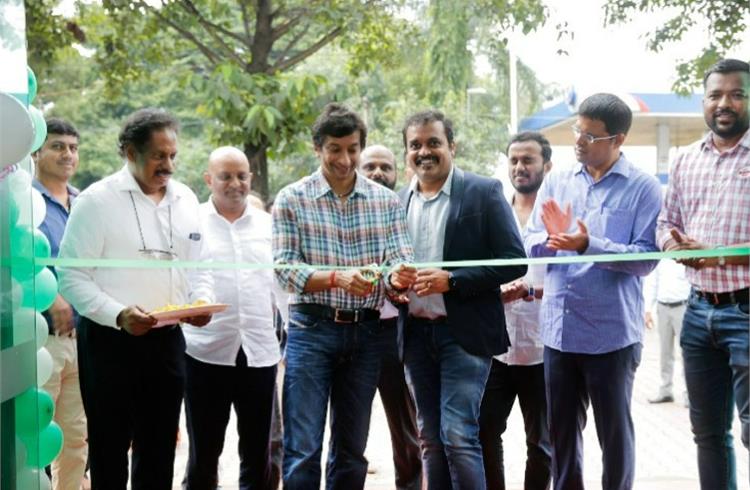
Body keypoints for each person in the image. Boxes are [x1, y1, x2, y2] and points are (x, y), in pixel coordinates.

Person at [58, 108, 213, 489]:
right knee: (109, 450)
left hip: (168, 343)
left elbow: (201, 265)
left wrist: (203, 301)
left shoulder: (186, 199)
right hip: (110, 343)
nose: (168, 165)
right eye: (159, 155)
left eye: (173, 155)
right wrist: (119, 314)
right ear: (130, 151)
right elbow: (70, 275)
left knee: (160, 447)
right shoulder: (97, 200)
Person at [272, 103, 416, 489]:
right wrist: (336, 278)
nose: (345, 158)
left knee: (352, 449)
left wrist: (398, 278)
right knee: (303, 449)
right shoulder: (292, 198)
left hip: (368, 334)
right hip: (311, 330)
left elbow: (400, 260)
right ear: (317, 148)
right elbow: (284, 269)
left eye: (353, 148)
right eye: (335, 149)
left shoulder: (386, 202)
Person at [525, 93, 661, 490]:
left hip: (611, 335)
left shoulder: (643, 188)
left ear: (617, 140)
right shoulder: (558, 180)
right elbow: (530, 237)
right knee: (562, 437)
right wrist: (550, 240)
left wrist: (588, 245)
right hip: (559, 333)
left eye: (590, 135)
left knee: (614, 437)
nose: (578, 141)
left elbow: (645, 259)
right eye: (577, 131)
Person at [398, 109, 527, 489]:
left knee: (458, 434)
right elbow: (390, 262)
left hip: (465, 334)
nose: (425, 151)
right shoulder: (397, 200)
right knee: (431, 438)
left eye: (433, 142)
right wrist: (393, 278)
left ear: (451, 146)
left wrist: (451, 280)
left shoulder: (483, 191)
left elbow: (513, 262)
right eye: (415, 145)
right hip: (416, 335)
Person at [656, 58, 750, 490]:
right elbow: (664, 222)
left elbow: (719, 253)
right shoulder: (685, 159)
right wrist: (675, 246)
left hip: (745, 310)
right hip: (697, 314)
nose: (724, 103)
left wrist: (718, 256)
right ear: (704, 102)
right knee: (709, 435)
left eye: (736, 93)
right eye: (715, 94)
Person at [183, 146, 283, 489]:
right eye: (225, 176)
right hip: (205, 352)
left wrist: (293, 332)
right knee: (204, 453)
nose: (235, 184)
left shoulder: (270, 226)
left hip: (259, 353)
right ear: (209, 179)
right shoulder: (189, 223)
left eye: (242, 176)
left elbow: (281, 286)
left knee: (258, 453)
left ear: (250, 179)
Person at [479, 131, 552, 490]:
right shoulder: (494, 212)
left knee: (542, 443)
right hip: (497, 347)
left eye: (528, 160)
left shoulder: (558, 215)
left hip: (545, 347)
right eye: (514, 160)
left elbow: (574, 274)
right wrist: (497, 292)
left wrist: (533, 290)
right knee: (484, 433)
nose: (520, 167)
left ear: (546, 165)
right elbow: (478, 273)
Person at [358, 144, 422, 490]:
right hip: (355, 328)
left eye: (385, 166)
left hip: (397, 328)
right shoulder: (346, 209)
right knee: (351, 425)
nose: (378, 173)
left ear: (398, 172)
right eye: (370, 166)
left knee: (406, 424)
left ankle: (411, 485)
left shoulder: (406, 207)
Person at [33, 118, 88, 490]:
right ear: (36, 151)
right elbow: (19, 260)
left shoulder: (87, 204)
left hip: (84, 338)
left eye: (72, 147)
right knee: (33, 438)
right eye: (57, 146)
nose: (67, 154)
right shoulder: (21, 201)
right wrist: (50, 294)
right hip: (39, 339)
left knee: (77, 440)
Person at [644, 259, 690, 405]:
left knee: (686, 353)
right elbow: (652, 283)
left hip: (683, 307)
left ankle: (689, 394)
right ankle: (665, 390)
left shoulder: (685, 258)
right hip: (662, 308)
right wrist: (647, 310)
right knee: (665, 352)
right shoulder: (661, 259)